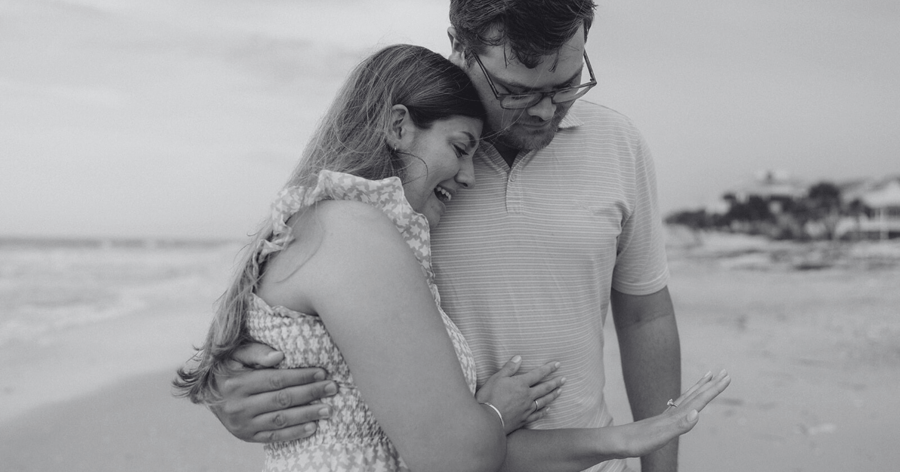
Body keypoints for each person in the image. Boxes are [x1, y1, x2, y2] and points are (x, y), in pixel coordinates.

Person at [200, 2, 732, 471]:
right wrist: (232, 387)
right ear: (460, 46)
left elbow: (646, 314)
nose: (547, 109)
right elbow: (288, 289)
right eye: (519, 91)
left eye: (567, 83)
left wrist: (660, 467)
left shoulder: (619, 145)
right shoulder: (399, 183)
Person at [174, 44, 568, 472]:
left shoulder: (316, 223)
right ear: (399, 125)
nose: (470, 176)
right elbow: (455, 459)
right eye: (460, 148)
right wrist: (492, 414)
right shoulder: (351, 229)